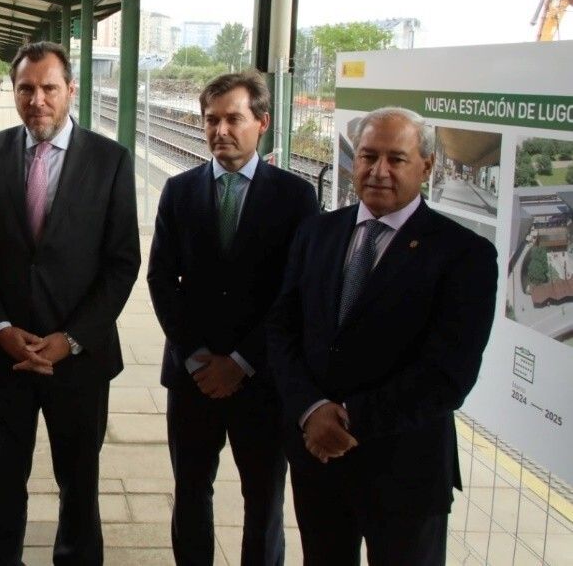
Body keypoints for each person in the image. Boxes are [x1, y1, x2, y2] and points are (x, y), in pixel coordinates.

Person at [268, 107, 497, 565]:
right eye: (368, 156)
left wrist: (347, 421)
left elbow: (448, 374)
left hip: (403, 470)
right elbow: (283, 328)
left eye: (397, 159)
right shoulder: (319, 232)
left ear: (427, 166)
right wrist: (311, 411)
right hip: (319, 463)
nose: (378, 171)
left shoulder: (463, 254)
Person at [0, 41, 141, 565]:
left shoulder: (110, 160)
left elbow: (122, 261)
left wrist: (72, 339)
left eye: (49, 88)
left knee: (79, 483)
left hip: (78, 359)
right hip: (4, 355)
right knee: (4, 481)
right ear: (13, 92)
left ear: (70, 90)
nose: (37, 99)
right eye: (26, 88)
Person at [148, 71, 318, 566]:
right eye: (211, 119)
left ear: (261, 122)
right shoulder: (179, 192)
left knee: (263, 499)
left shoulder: (295, 197)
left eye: (233, 118)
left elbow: (295, 294)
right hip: (192, 378)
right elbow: (162, 280)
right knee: (191, 490)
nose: (221, 129)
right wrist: (198, 358)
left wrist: (242, 361)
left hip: (263, 382)